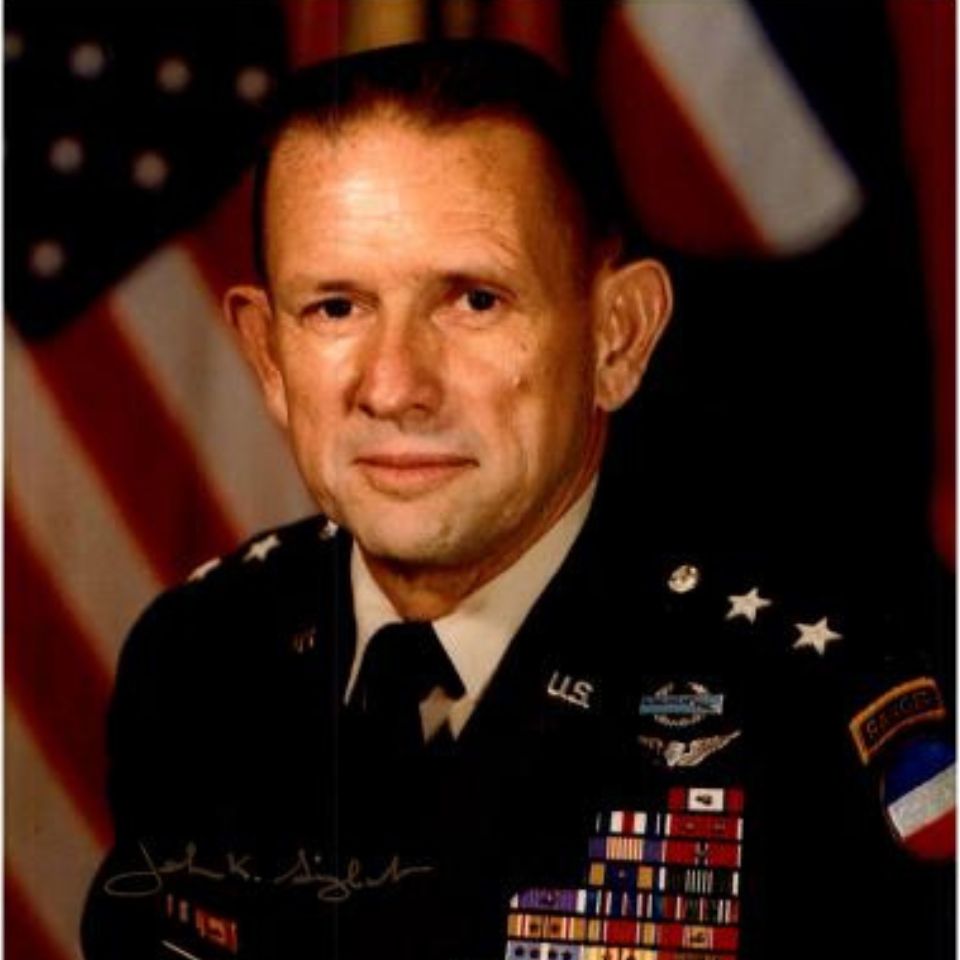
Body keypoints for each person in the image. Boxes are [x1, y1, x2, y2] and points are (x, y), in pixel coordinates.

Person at [82, 39, 953, 960]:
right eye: (336, 307)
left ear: (617, 337)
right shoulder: (201, 663)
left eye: (474, 301)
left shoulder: (821, 692)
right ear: (266, 356)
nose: (395, 386)